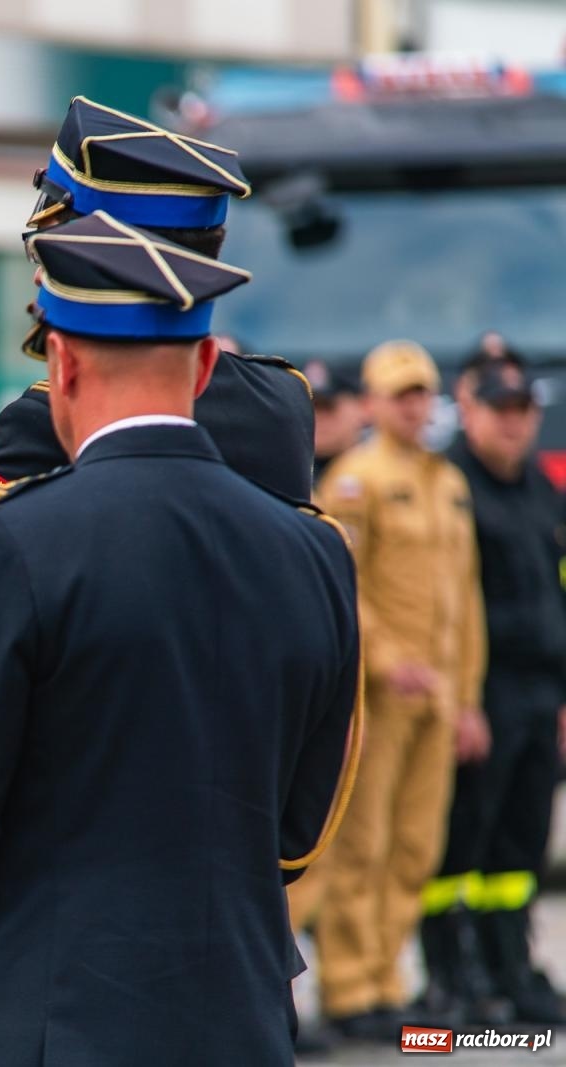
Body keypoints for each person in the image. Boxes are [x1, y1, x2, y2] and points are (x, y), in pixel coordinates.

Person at [0, 212, 360, 1065]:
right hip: (241, 1014)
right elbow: (299, 815)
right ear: (206, 363)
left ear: (60, 361)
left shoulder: (12, 540)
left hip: (50, 1012)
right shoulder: (315, 549)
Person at [0, 96, 314, 678]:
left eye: (56, 248)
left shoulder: (45, 416)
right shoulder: (282, 399)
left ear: (112, 259)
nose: (36, 270)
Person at [313, 339, 486, 1040]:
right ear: (376, 403)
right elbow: (343, 585)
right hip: (382, 695)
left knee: (415, 845)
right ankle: (351, 987)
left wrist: (468, 695)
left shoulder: (446, 481)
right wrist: (386, 661)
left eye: (422, 393)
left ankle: (388, 978)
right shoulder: (356, 480)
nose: (414, 405)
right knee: (364, 842)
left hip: (439, 697)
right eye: (401, 393)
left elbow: (464, 600)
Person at [431, 361, 566, 1024]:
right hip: (483, 690)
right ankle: (454, 977)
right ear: (469, 409)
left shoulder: (541, 488)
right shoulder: (452, 483)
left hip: (541, 690)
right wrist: (461, 700)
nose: (513, 420)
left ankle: (512, 968)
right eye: (499, 407)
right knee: (464, 841)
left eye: (522, 407)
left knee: (521, 845)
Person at [305, 359, 367, 484]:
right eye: (310, 407)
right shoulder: (287, 474)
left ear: (362, 407)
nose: (318, 417)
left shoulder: (388, 467)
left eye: (328, 406)